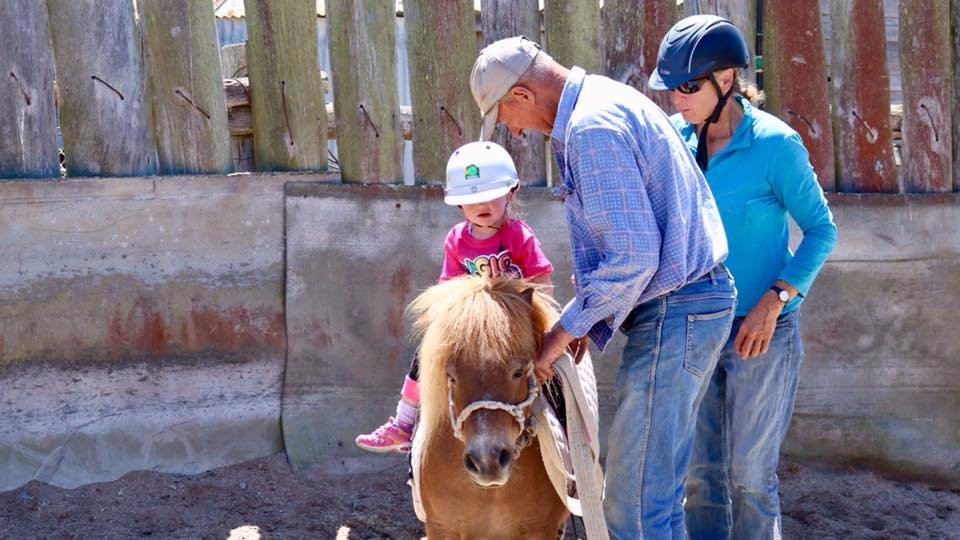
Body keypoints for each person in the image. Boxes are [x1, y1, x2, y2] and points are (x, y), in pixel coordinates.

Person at [470, 36, 736, 538]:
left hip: (676, 311)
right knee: (657, 499)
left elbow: (634, 257)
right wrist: (591, 314)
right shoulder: (607, 100)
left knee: (632, 508)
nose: (514, 129)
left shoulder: (591, 129)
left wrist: (565, 330)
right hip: (692, 306)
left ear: (522, 94)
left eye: (506, 114)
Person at [648, 15, 838, 539]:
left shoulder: (776, 145)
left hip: (763, 331)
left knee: (751, 478)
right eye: (671, 88)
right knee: (698, 476)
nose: (677, 99)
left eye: (688, 87)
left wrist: (774, 301)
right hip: (695, 327)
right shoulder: (673, 141)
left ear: (726, 79)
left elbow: (821, 231)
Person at [355, 141, 554, 453]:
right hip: (473, 324)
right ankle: (404, 421)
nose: (481, 204)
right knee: (426, 353)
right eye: (470, 199)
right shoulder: (456, 240)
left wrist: (541, 323)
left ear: (510, 192)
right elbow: (448, 287)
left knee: (554, 369)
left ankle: (567, 433)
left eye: (490, 195)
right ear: (458, 204)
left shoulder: (519, 235)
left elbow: (541, 281)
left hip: (515, 325)